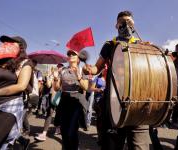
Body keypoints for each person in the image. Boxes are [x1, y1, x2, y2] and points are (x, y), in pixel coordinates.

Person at [83, 10, 150, 150]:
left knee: (139, 147)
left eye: (129, 22)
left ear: (134, 25)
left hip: (138, 102)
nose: (126, 25)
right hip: (114, 100)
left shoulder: (142, 44)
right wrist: (90, 70)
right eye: (122, 23)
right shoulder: (109, 44)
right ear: (116, 25)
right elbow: (97, 67)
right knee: (112, 145)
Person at [0, 35, 32, 149]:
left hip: (10, 106)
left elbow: (21, 86)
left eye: (11, 42)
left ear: (21, 47)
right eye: (5, 42)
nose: (6, 44)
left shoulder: (25, 63)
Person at [54, 50, 89, 150]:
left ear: (78, 57)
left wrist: (79, 78)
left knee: (72, 131)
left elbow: (86, 87)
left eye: (73, 54)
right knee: (64, 131)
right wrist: (56, 79)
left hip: (76, 100)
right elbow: (56, 88)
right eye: (68, 54)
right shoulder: (63, 70)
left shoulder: (83, 70)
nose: (70, 55)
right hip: (64, 100)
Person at [34, 64, 63, 141]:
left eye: (59, 67)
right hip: (51, 96)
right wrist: (48, 78)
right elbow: (48, 85)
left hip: (60, 97)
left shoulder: (62, 75)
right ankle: (44, 133)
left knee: (60, 114)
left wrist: (57, 78)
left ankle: (58, 128)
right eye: (57, 67)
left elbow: (59, 88)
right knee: (49, 113)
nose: (58, 68)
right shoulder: (51, 75)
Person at [90, 71, 106, 145]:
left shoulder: (111, 76)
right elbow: (92, 88)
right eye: (103, 68)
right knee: (100, 120)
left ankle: (105, 137)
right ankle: (100, 137)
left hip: (109, 101)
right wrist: (99, 90)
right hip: (98, 101)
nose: (104, 69)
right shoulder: (97, 78)